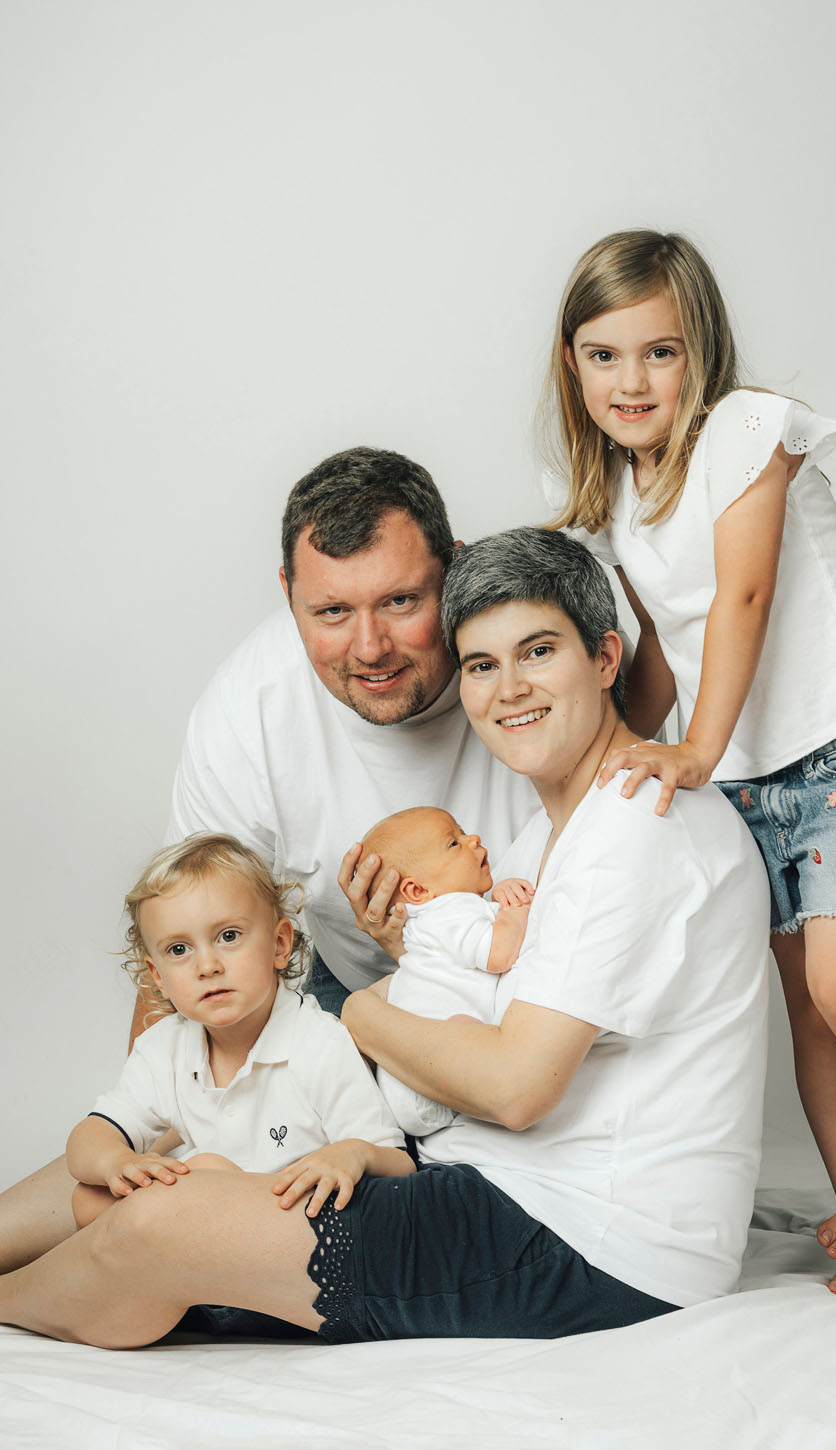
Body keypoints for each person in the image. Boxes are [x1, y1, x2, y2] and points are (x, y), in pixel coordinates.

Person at [0, 528, 771, 1345]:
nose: (510, 689)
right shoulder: (540, 841)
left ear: (606, 658)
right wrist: (414, 960)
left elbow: (517, 1086)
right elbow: (500, 1003)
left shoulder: (634, 826)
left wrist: (364, 1013)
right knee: (194, 1120)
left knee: (159, 1223)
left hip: (593, 1240)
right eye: (482, 665)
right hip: (486, 1175)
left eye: (538, 652)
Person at [0, 446, 535, 1273]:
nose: (370, 646)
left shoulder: (521, 673)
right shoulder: (249, 707)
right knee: (187, 1128)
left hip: (507, 1006)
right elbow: (186, 933)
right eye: (331, 612)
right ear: (287, 594)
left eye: (401, 601)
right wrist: (155, 1136)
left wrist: (419, 962)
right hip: (339, 997)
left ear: (453, 570)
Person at [540, 227, 836, 1300]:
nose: (632, 381)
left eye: (659, 352)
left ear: (700, 352)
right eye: (604, 355)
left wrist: (696, 750)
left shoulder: (745, 431)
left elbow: (744, 594)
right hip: (743, 773)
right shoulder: (621, 495)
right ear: (572, 365)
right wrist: (597, 769)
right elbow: (661, 657)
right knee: (804, 1006)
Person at [68, 834, 411, 1234]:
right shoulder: (164, 1047)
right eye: (179, 950)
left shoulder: (319, 1041)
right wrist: (117, 1161)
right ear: (157, 976)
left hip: (297, 1227)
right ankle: (171, 1265)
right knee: (89, 1197)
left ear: (279, 945)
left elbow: (400, 1165)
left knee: (205, 1168)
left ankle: (167, 1262)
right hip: (215, 1217)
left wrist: (353, 1153)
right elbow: (90, 1137)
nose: (207, 966)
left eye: (228, 936)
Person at [360, 805, 534, 1134]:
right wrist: (516, 909)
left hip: (405, 1079)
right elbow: (498, 953)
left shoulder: (430, 920)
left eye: (463, 832)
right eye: (454, 843)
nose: (473, 839)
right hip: (434, 1072)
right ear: (418, 891)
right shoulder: (449, 910)